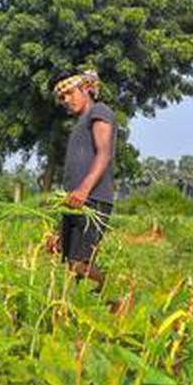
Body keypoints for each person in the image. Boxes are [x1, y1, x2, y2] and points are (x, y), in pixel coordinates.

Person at [50, 69, 116, 287]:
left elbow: (104, 152)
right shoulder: (78, 125)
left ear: (87, 88)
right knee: (70, 265)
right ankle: (86, 311)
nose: (66, 101)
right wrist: (58, 230)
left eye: (69, 93)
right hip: (75, 201)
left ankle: (115, 295)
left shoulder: (99, 111)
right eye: (62, 98)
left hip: (93, 199)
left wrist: (84, 190)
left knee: (79, 264)